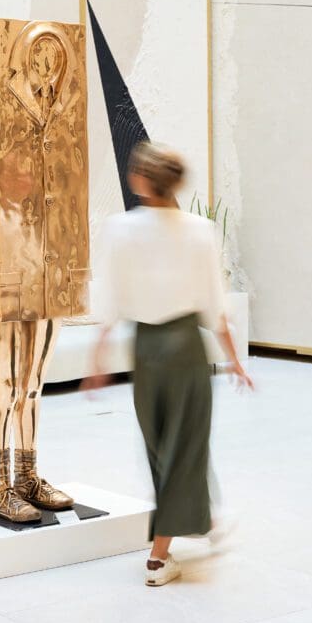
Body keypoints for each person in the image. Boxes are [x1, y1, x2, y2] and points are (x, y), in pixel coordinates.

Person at [84, 142, 253, 586]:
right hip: (184, 349)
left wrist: (98, 359)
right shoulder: (199, 230)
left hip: (146, 349)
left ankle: (192, 530)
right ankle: (162, 556)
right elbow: (215, 305)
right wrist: (235, 361)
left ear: (142, 181)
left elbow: (109, 300)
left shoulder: (119, 228)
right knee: (184, 445)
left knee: (163, 446)